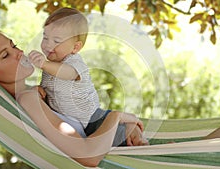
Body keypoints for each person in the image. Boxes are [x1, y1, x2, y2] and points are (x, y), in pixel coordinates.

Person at [0, 27, 146, 167]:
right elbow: (88, 156)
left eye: (13, 45)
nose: (18, 53)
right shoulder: (28, 100)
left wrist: (123, 128)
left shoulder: (35, 93)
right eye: (5, 55)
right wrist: (116, 117)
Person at [28, 7, 148, 146]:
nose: (48, 44)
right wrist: (39, 90)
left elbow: (68, 73)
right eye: (45, 37)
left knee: (120, 139)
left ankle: (137, 135)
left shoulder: (74, 63)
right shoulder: (51, 65)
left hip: (92, 118)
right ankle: (129, 126)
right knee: (104, 142)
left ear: (75, 47)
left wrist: (44, 63)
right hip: (74, 123)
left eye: (56, 41)